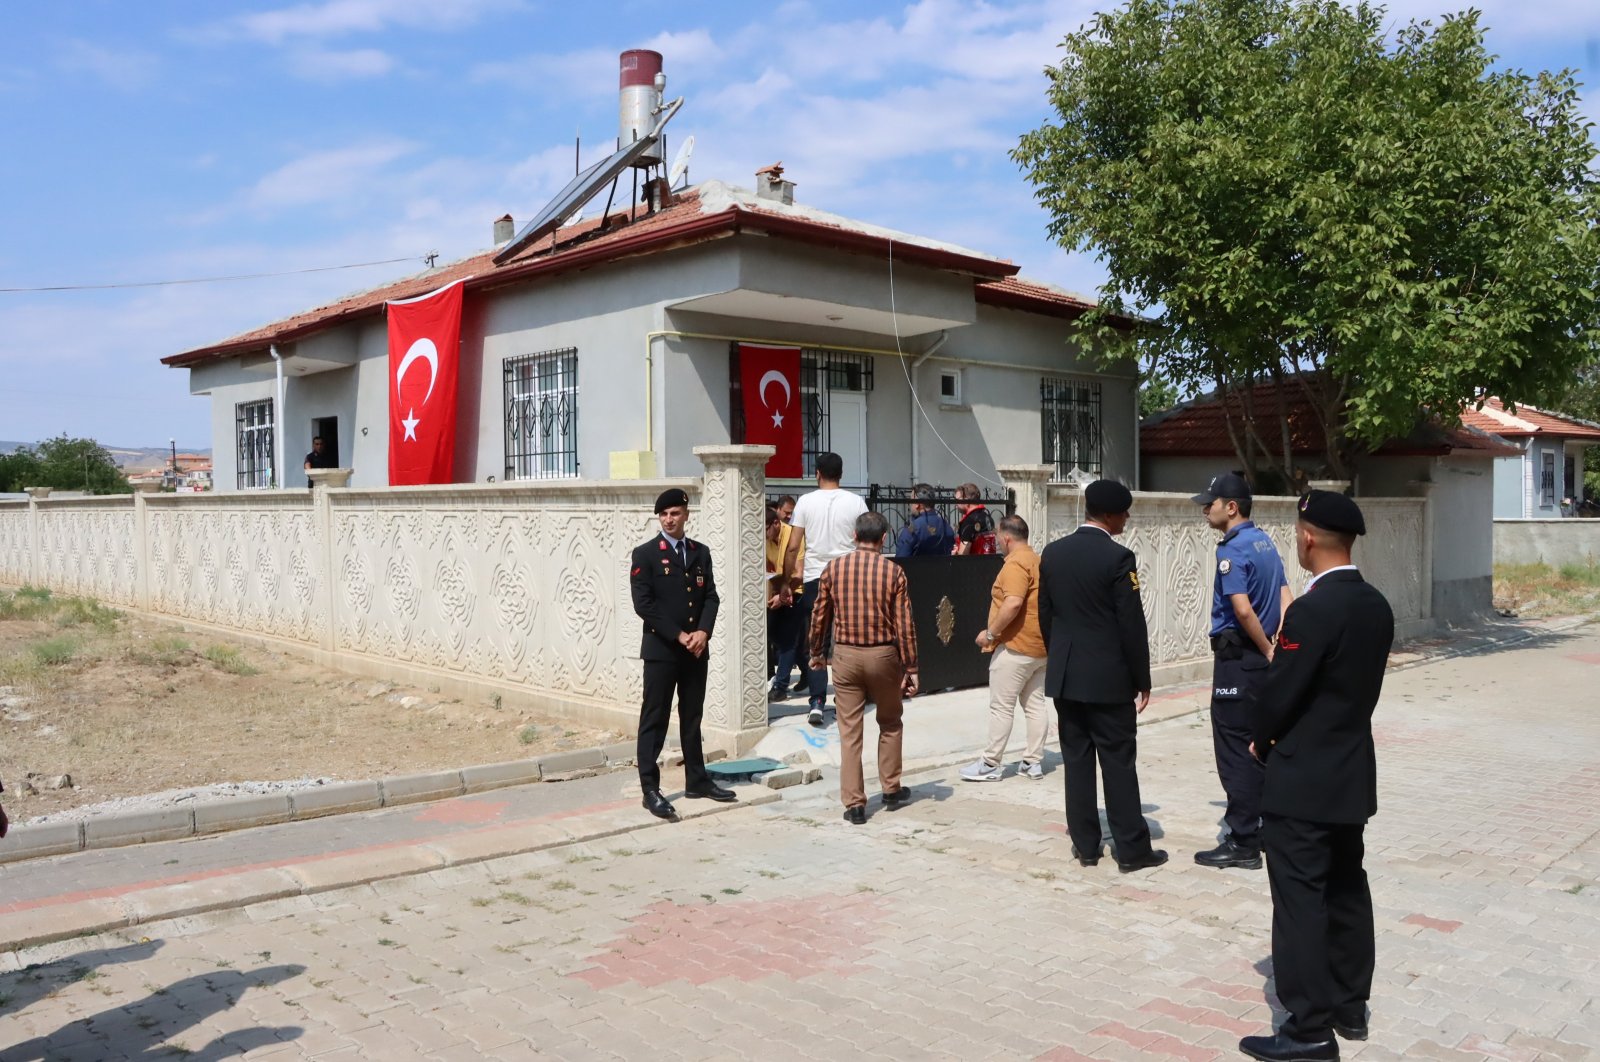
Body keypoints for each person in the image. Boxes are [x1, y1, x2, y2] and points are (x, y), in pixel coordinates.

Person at [1238, 491, 1394, 1062]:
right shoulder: (1375, 603)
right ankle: (1351, 1006)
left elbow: (1282, 691)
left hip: (1302, 777)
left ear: (1306, 538)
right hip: (1350, 772)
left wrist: (1259, 737)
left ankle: (1307, 1030)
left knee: (1301, 899)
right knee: (1347, 887)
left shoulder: (1311, 610)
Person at [1037, 479, 1167, 873]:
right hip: (1108, 680)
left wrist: (1060, 656)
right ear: (1109, 515)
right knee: (1118, 763)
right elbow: (1131, 625)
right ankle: (1131, 850)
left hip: (1067, 677)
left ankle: (1086, 846)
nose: (1127, 518)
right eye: (1124, 512)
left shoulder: (1053, 553)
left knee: (1076, 762)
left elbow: (1046, 615)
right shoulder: (1118, 558)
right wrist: (1142, 678)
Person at [1191, 471, 1293, 871]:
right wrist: (1279, 646)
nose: (1205, 508)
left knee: (1235, 750)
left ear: (1231, 508)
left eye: (1210, 503)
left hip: (1240, 661)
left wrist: (1267, 649)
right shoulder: (1266, 542)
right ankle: (1264, 827)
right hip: (1262, 662)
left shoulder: (1231, 551)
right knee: (1260, 745)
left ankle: (1243, 840)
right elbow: (1286, 595)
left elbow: (1242, 608)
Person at [629, 488, 738, 821]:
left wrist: (703, 632)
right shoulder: (646, 554)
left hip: (696, 650)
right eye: (663, 514)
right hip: (663, 650)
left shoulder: (699, 552)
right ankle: (650, 788)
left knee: (692, 717)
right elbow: (643, 604)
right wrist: (679, 635)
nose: (669, 519)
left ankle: (697, 779)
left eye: (675, 513)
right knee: (655, 717)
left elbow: (711, 597)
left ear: (686, 515)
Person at [808, 511, 919, 824]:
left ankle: (855, 803)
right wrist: (911, 665)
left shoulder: (834, 569)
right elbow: (904, 624)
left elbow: (819, 616)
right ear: (884, 539)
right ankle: (891, 787)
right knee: (890, 721)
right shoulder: (893, 572)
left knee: (850, 731)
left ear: (854, 536)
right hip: (883, 656)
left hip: (845, 655)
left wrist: (816, 652)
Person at [961, 514, 1051, 782]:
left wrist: (990, 634)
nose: (998, 541)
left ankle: (990, 764)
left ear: (1007, 538)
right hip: (1039, 647)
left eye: (999, 537)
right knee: (1035, 705)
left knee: (1002, 706)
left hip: (1015, 647)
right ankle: (1033, 762)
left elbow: (1012, 603)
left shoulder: (1015, 565)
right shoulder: (1037, 561)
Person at [789, 453, 868, 727]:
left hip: (815, 576)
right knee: (848, 639)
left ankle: (817, 702)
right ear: (842, 473)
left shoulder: (805, 502)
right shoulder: (856, 501)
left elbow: (793, 544)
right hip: (848, 576)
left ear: (817, 473)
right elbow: (864, 538)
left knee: (817, 641)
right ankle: (848, 697)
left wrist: (790, 579)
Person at [764, 504, 806, 704]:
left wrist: (782, 595)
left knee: (788, 641)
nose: (762, 535)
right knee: (774, 634)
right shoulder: (765, 537)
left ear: (775, 523)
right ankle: (807, 670)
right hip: (777, 591)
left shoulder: (793, 537)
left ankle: (780, 687)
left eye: (765, 530)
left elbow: (799, 573)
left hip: (796, 592)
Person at [894, 484, 956, 558]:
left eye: (911, 500)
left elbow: (901, 559)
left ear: (917, 504)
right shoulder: (946, 526)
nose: (910, 505)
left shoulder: (912, 529)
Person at [952, 483, 998, 555]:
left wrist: (956, 554)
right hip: (990, 563)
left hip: (975, 565)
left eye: (957, 500)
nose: (956, 504)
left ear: (966, 500)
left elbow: (963, 556)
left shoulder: (969, 521)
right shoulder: (987, 516)